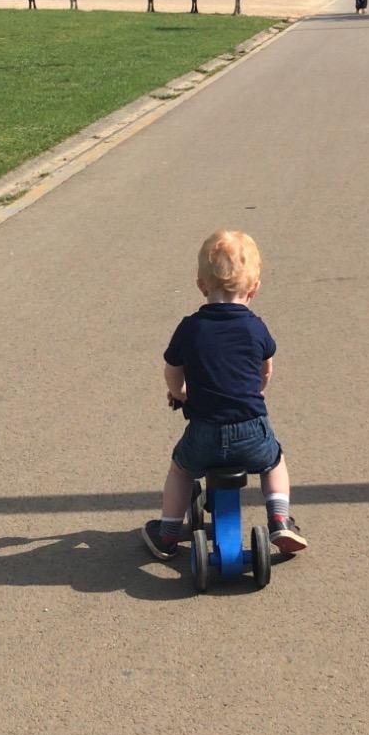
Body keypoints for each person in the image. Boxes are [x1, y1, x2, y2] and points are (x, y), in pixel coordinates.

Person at [142, 229, 307, 561]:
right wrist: (254, 391)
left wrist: (181, 393)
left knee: (181, 470)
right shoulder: (255, 327)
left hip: (205, 432)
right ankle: (278, 518)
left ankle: (168, 533)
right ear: (254, 288)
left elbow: (172, 369)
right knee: (274, 460)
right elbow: (265, 369)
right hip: (251, 430)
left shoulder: (190, 327)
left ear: (201, 285)